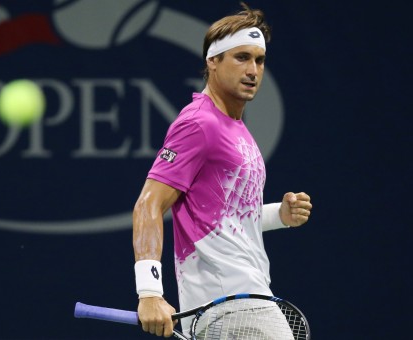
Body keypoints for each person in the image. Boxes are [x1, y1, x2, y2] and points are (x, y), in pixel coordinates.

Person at [132, 2, 312, 338]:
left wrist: (278, 215)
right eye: (241, 57)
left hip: (242, 301)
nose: (253, 70)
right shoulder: (199, 124)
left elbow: (223, 218)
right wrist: (150, 292)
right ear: (212, 62)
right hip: (232, 303)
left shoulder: (237, 129)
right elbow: (148, 204)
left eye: (259, 60)